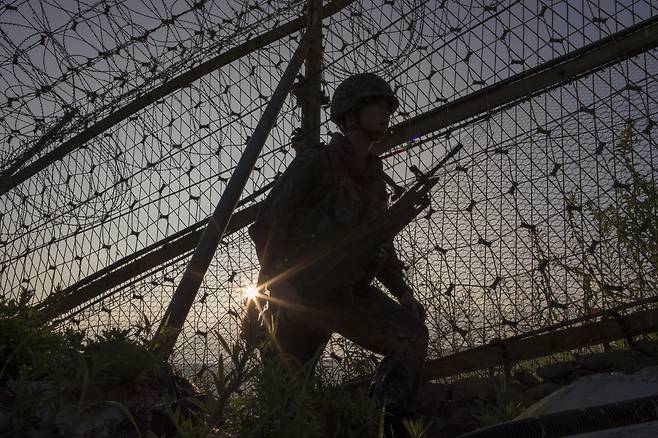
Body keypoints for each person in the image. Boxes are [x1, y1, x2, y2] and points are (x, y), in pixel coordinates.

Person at [248, 72, 428, 436]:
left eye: (388, 106)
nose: (385, 112)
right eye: (375, 105)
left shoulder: (376, 182)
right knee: (281, 396)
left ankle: (386, 423)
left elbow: (380, 245)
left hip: (348, 292)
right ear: (350, 115)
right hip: (302, 292)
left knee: (410, 335)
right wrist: (273, 284)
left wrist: (403, 292)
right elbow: (268, 224)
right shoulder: (317, 162)